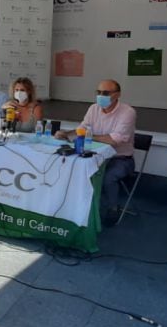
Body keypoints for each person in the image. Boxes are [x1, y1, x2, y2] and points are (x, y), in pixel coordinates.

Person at [56, 79, 137, 224]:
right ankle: (76, 207)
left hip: (120, 158)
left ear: (117, 94)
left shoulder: (128, 112)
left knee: (108, 177)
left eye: (105, 93)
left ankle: (113, 208)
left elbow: (115, 139)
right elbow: (83, 128)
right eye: (98, 92)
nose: (101, 96)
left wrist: (88, 136)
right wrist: (66, 134)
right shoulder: (93, 109)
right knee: (71, 166)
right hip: (94, 155)